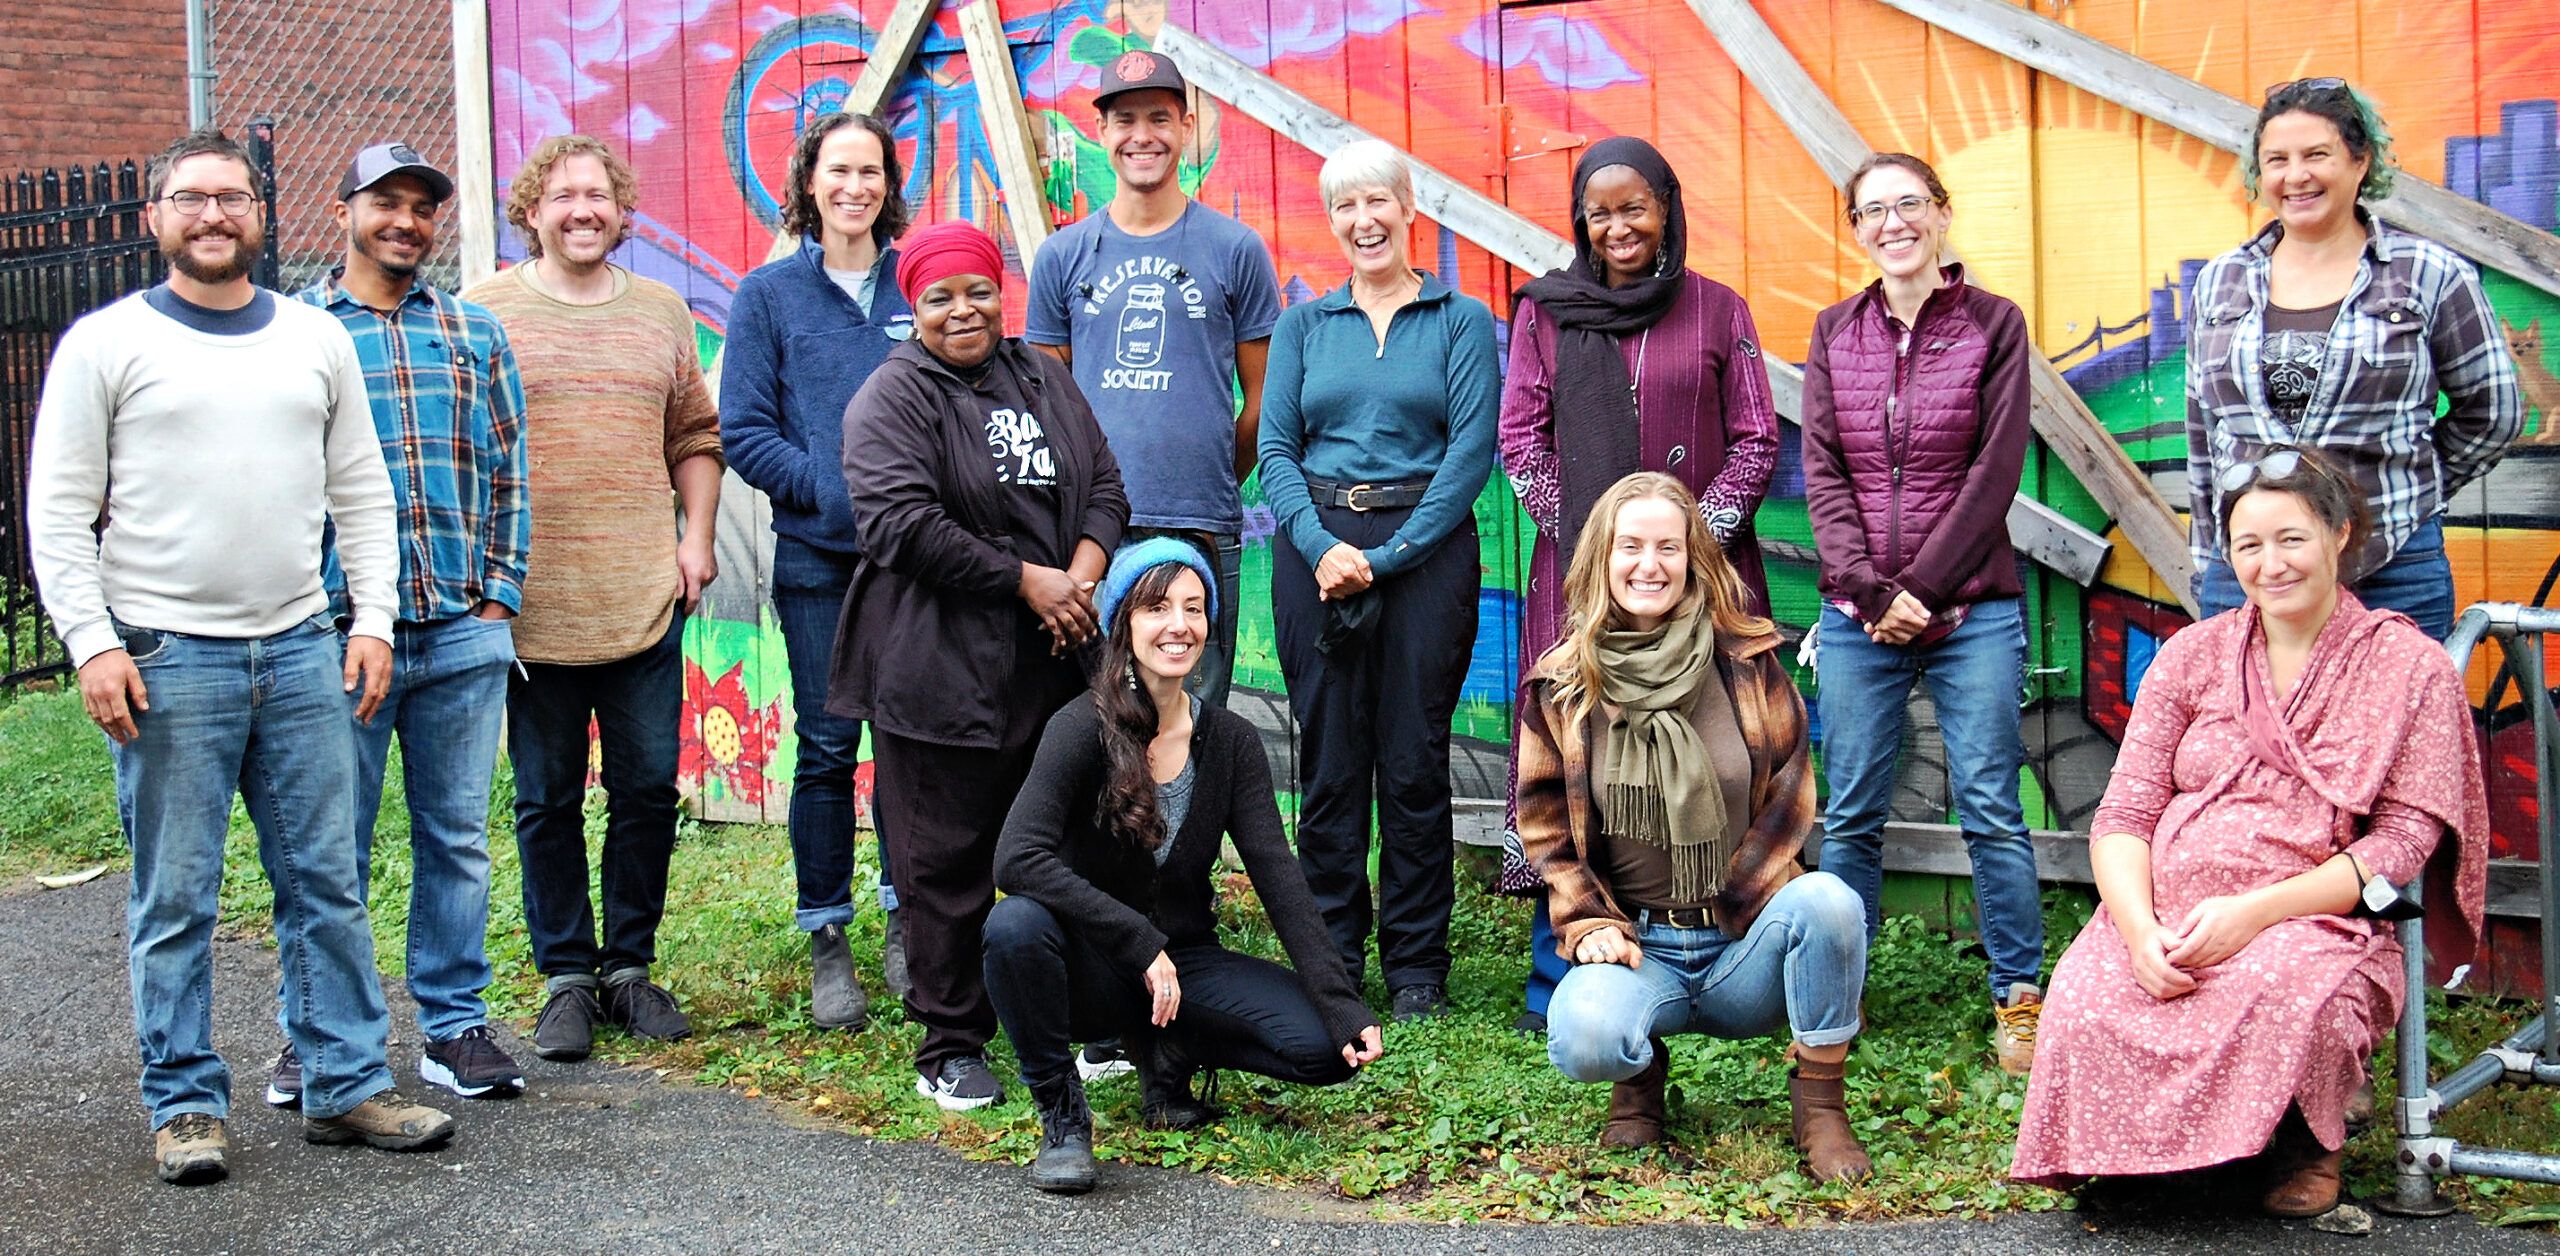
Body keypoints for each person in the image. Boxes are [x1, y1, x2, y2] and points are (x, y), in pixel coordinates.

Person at [27, 128, 455, 1185]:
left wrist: (370, 618)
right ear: (156, 218)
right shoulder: (104, 343)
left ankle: (344, 1083)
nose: (212, 215)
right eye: (190, 198)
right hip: (169, 659)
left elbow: (360, 488)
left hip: (305, 649)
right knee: (175, 895)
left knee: (326, 882)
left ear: (261, 216)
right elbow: (58, 511)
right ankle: (183, 1104)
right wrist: (92, 642)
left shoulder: (312, 339)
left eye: (231, 198)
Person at [2011, 447, 2488, 1217]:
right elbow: (2126, 813)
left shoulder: (2410, 667)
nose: (2271, 564)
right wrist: (2137, 931)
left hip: (2314, 915)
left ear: (2339, 534)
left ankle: (2301, 1147)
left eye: (2291, 538)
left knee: (2290, 988)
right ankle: (2153, 1164)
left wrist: (2256, 913)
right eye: (2249, 545)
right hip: (2170, 907)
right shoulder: (2193, 656)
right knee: (2091, 988)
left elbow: (2400, 845)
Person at [832, 221, 1129, 1111]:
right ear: (911, 307)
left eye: (978, 291)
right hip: (937, 668)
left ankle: (1083, 1015)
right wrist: (1024, 580)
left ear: (1004, 294)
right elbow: (898, 524)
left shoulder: (1044, 375)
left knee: (1071, 838)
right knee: (946, 856)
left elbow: (1108, 486)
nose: (963, 310)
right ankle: (952, 1040)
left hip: (1054, 658)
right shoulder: (891, 398)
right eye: (939, 297)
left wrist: (1078, 576)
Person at [983, 539, 1385, 1194]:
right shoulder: (1078, 727)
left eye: (1195, 609)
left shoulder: (1230, 741)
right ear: (1124, 623)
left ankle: (1169, 1053)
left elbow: (1278, 875)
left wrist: (1341, 1003)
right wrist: (1138, 943)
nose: (1179, 625)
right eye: (1158, 607)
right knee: (1014, 928)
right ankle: (1061, 1114)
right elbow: (1017, 856)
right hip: (1091, 966)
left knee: (1324, 1049)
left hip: (1183, 963)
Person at [261, 142, 530, 1107]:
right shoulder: (291, 333)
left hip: (460, 626)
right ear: (344, 212)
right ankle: (317, 1032)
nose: (406, 221)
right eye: (386, 202)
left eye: (422, 206)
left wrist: (500, 592)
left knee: (455, 837)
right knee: (328, 845)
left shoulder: (473, 332)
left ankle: (452, 1027)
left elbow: (508, 468)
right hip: (335, 638)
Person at [1498, 135, 1780, 1036]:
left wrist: (1690, 546)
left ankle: (1727, 955)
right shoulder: (1546, 314)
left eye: (1635, 207)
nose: (1617, 226)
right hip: (1580, 579)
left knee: (1715, 747)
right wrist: (1597, 555)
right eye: (1600, 210)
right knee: (1578, 753)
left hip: (1703, 578)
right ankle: (1566, 969)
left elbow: (1758, 439)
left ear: (1668, 207)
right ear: (1581, 218)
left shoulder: (1718, 310)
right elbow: (1521, 438)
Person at [1521, 473, 1871, 1182]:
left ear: (1693, 560)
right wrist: (1588, 920)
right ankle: (1639, 1081)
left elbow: (1792, 796)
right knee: (1584, 1037)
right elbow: (1546, 828)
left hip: (1744, 939)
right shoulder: (1562, 685)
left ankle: (1822, 1107)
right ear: (1602, 559)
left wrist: (1747, 898)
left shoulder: (1747, 662)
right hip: (1637, 947)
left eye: (1667, 548)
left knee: (1833, 902)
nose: (1648, 565)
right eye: (1630, 547)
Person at [464, 135, 724, 1062]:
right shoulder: (482, 311)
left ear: (623, 213)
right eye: (563, 195)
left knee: (649, 788)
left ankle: (629, 969)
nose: (583, 209)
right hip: (530, 606)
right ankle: (568, 978)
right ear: (531, 210)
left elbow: (695, 434)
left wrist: (694, 540)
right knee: (545, 797)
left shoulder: (660, 312)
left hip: (641, 595)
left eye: (600, 195)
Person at [1801, 151, 2046, 1075]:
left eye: (1910, 205)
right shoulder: (1836, 332)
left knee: (1990, 805)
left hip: (1971, 610)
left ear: (1942, 215)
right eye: (1874, 211)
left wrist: (1925, 592)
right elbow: (1823, 470)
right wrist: (1868, 594)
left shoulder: (1994, 325)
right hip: (1857, 618)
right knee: (1854, 811)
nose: (1893, 223)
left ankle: (2018, 998)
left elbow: (1995, 472)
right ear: (1856, 229)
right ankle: (1835, 994)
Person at [1258, 138, 1498, 1022]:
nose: (1364, 222)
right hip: (1315, 550)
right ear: (1334, 222)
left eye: (1378, 203)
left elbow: (1470, 456)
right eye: (1345, 208)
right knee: (1326, 764)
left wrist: (1387, 561)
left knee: (1411, 760)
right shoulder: (1304, 326)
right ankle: (1331, 960)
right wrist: (1322, 548)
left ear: (1409, 208)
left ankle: (1416, 969)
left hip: (1423, 556)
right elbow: (1276, 450)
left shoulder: (1460, 320)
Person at [2185, 78, 2521, 641]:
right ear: (2260, 174)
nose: (2297, 176)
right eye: (2277, 160)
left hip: (2389, 567)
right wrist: (2209, 555)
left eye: (2317, 155)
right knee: (2254, 728)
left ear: (2360, 162)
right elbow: (2204, 430)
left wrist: (2412, 484)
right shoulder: (2221, 282)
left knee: (2398, 728)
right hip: (2251, 575)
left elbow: (2492, 413)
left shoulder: (2429, 274)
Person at [720, 112, 915, 1029]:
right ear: (808, 182)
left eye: (870, 170)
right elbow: (745, 431)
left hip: (920, 562)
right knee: (832, 746)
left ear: (888, 182)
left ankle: (909, 917)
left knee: (915, 742)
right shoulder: (767, 296)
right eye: (838, 170)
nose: (855, 187)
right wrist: (830, 495)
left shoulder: (917, 284)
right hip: (817, 561)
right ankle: (827, 930)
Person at [1028, 47, 1279, 712]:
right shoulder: (1061, 257)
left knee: (1191, 732)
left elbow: (1264, 399)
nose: (1144, 136)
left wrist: (1210, 471)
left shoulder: (1235, 249)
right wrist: (1087, 503)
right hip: (1093, 537)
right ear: (1102, 133)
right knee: (1098, 727)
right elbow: (1048, 407)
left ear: (1187, 126)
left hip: (1200, 525)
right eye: (1125, 120)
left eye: (1160, 119)